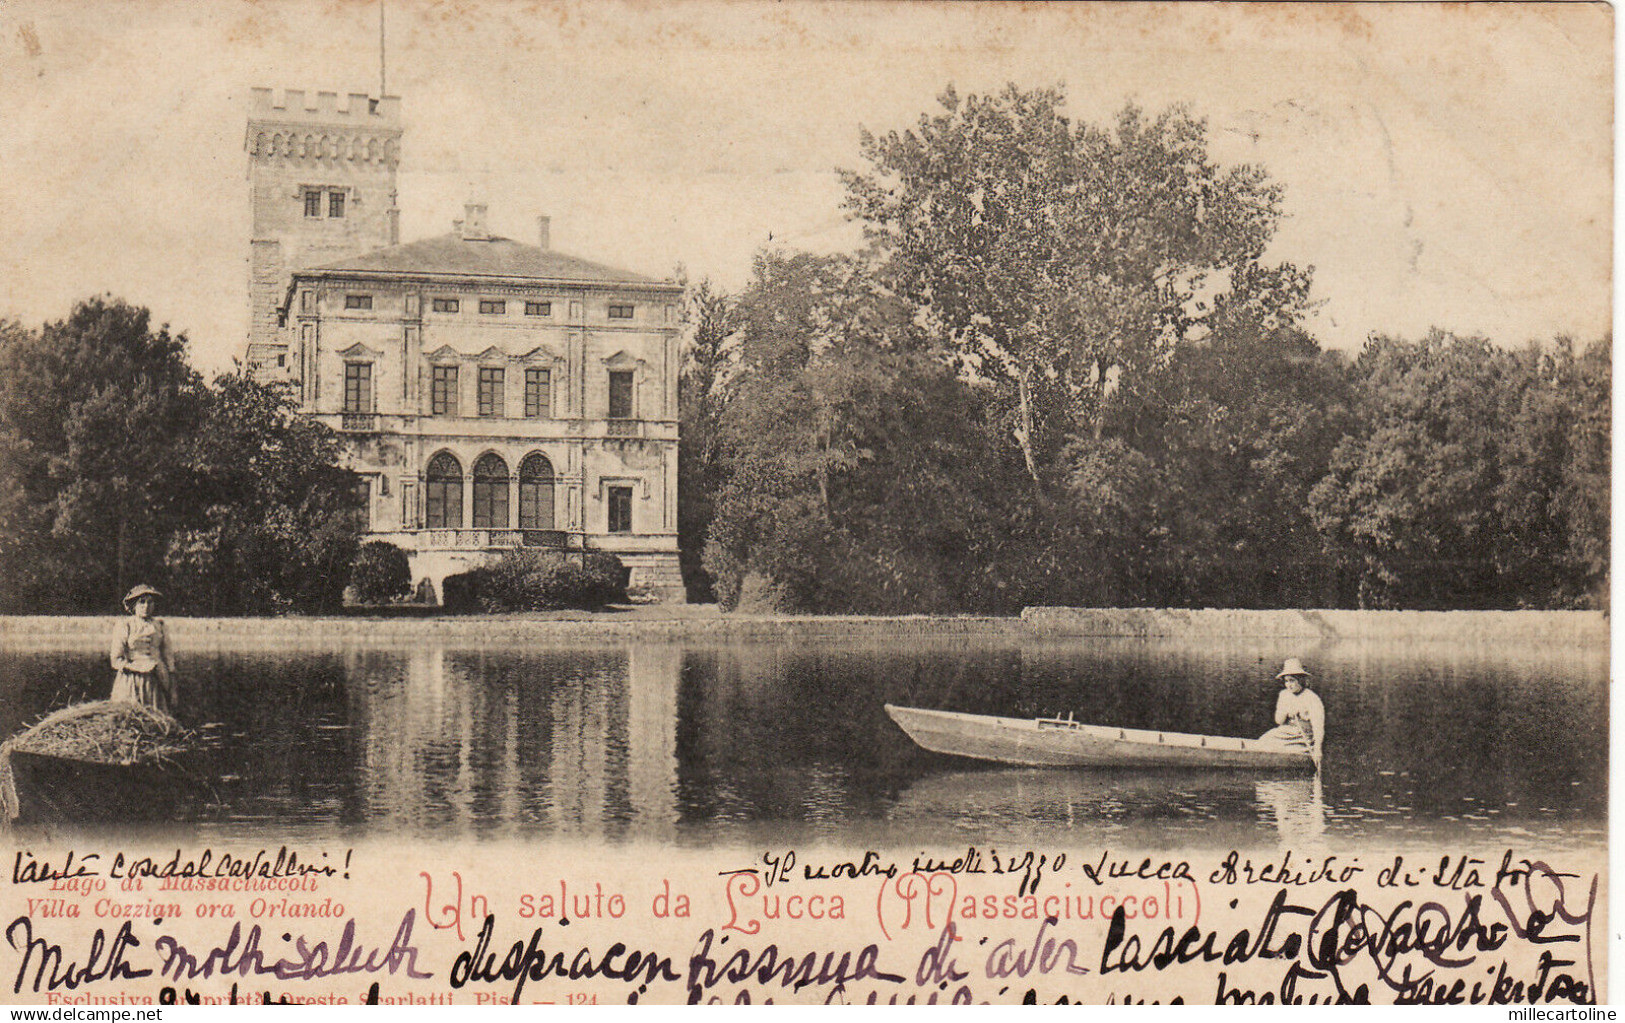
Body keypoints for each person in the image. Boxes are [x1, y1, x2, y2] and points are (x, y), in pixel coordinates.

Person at [110, 584, 177, 715]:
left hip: (156, 679)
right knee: (130, 717)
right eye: (142, 602)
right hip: (131, 680)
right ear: (134, 605)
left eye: (150, 602)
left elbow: (169, 658)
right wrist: (136, 667)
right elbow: (115, 659)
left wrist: (173, 689)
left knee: (157, 717)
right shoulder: (125, 625)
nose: (146, 606)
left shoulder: (160, 625)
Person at [1259, 658, 1324, 764]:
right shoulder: (1284, 694)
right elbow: (1278, 721)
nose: (1289, 684)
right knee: (1263, 741)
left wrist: (1318, 750)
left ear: (1300, 680)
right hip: (1283, 733)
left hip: (1301, 738)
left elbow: (1318, 728)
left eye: (1292, 680)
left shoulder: (1312, 698)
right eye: (1286, 681)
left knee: (1278, 749)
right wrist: (1286, 710)